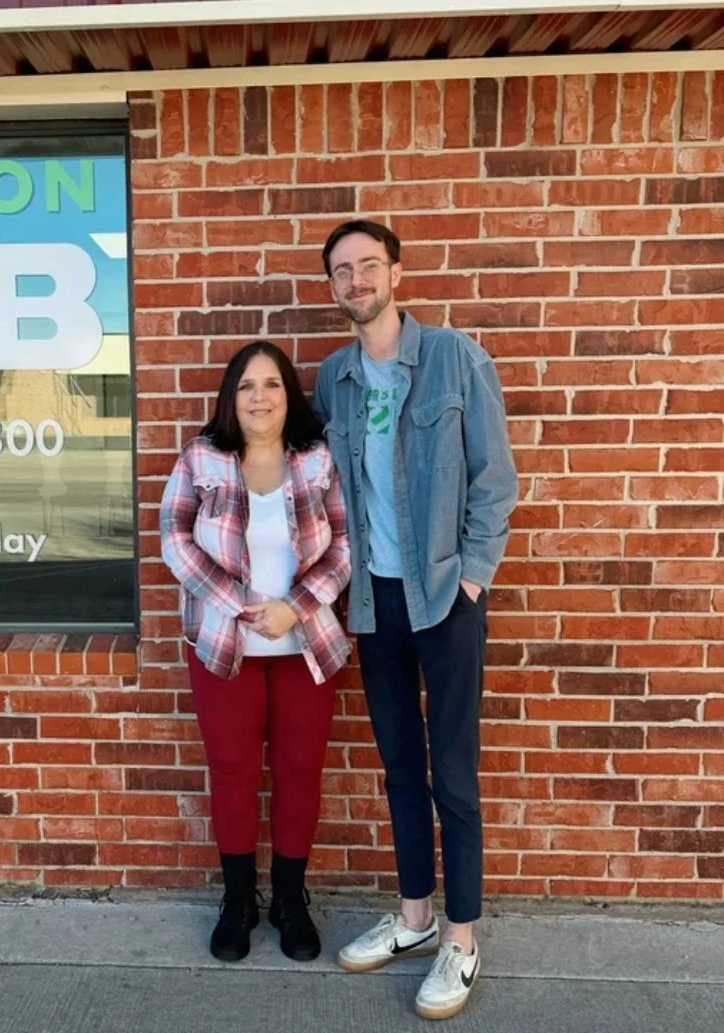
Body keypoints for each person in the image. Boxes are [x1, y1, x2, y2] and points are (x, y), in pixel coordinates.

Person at [312, 220, 518, 1021]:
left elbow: (495, 484)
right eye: (342, 271)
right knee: (400, 765)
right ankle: (413, 919)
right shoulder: (334, 379)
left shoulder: (456, 360)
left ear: (395, 271)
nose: (356, 281)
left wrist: (469, 580)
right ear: (333, 287)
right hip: (374, 601)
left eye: (368, 265)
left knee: (453, 775)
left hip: (445, 599)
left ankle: (460, 940)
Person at [160, 341, 351, 964]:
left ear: (287, 394)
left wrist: (294, 605)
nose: (259, 397)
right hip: (224, 644)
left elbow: (347, 544)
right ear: (230, 398)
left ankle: (289, 901)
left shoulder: (317, 461)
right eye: (246, 386)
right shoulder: (201, 459)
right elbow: (174, 539)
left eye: (271, 384)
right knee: (235, 773)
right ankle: (238, 902)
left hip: (306, 646)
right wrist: (242, 604)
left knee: (298, 773)